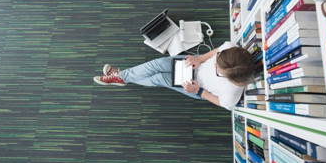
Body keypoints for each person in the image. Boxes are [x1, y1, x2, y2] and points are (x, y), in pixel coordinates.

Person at [93, 41, 256, 110]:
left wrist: (198, 91)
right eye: (217, 61)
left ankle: (121, 76)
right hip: (194, 64)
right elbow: (217, 51)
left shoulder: (232, 93)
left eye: (217, 69)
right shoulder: (231, 51)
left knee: (159, 78)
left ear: (230, 78)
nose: (214, 63)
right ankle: (122, 77)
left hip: (195, 86)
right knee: (156, 65)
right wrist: (200, 59)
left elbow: (219, 102)